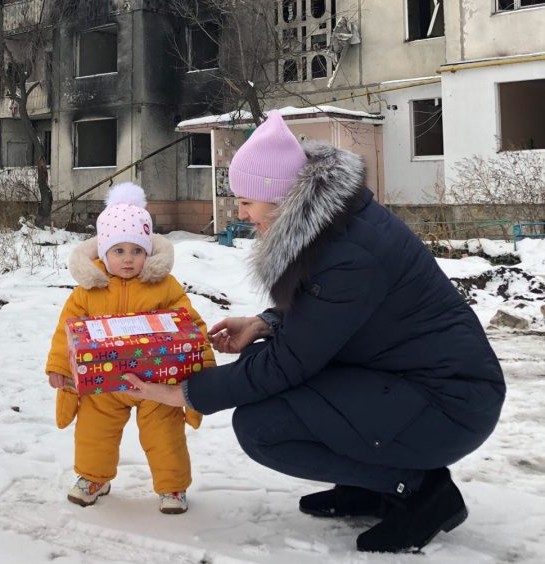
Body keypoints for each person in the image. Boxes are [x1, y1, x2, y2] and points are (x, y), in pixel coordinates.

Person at [124, 112, 505, 552]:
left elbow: (291, 361)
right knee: (258, 365)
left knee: (262, 426)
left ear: (280, 195)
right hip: (412, 381)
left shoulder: (349, 254)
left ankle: (419, 488)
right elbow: (331, 316)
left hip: (448, 405)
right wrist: (264, 322)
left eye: (247, 201)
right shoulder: (335, 225)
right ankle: (366, 483)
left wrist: (185, 394)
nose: (241, 212)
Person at [45, 182, 215, 514]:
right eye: (119, 251)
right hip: (104, 382)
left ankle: (173, 486)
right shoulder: (88, 291)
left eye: (136, 251)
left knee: (165, 434)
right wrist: (59, 367)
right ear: (103, 252)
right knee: (95, 432)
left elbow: (189, 325)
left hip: (157, 382)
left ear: (148, 252)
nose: (128, 259)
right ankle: (94, 477)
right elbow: (68, 332)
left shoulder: (164, 286)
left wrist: (202, 363)